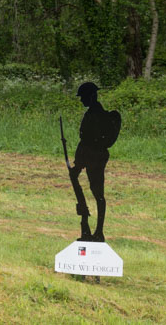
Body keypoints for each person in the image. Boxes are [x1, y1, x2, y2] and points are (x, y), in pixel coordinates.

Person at [69, 82, 121, 242]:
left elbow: (88, 141)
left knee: (98, 193)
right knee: (94, 192)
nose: (81, 100)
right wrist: (78, 164)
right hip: (89, 156)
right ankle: (87, 226)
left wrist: (79, 163)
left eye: (83, 97)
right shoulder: (92, 113)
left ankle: (98, 231)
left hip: (94, 157)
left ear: (91, 96)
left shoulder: (96, 114)